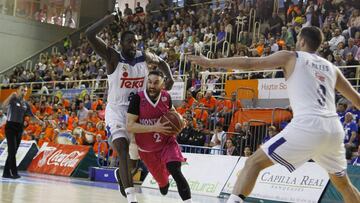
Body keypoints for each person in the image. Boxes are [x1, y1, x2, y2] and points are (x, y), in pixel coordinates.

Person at [188, 26, 360, 203]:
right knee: (344, 185)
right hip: (333, 129)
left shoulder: (291, 56)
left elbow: (249, 63)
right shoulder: (332, 68)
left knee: (253, 163)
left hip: (308, 125)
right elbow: (357, 100)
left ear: (301, 41)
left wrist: (210, 63)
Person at [85, 12, 174, 203]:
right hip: (116, 112)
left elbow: (163, 62)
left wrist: (170, 77)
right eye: (129, 42)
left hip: (136, 113)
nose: (133, 45)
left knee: (134, 161)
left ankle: (121, 176)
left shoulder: (144, 57)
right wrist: (109, 18)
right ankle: (132, 198)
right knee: (122, 149)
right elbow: (89, 34)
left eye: (135, 42)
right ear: (121, 44)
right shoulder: (113, 57)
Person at [126, 70, 192, 203]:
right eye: (149, 82)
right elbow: (130, 126)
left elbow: (172, 112)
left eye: (156, 83)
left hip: (167, 142)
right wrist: (154, 127)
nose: (152, 85)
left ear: (163, 84)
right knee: (163, 187)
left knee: (175, 170)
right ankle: (163, 183)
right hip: (147, 150)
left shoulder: (166, 97)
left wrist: (180, 121)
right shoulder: (138, 99)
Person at [2, 85, 43, 179]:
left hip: (19, 128)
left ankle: (6, 173)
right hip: (10, 127)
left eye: (25, 91)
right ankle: (14, 173)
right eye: (22, 90)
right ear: (17, 90)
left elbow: (32, 116)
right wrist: (10, 96)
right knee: (12, 150)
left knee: (14, 151)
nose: (23, 92)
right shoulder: (12, 100)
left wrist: (40, 121)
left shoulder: (26, 104)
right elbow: (3, 106)